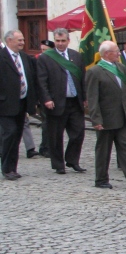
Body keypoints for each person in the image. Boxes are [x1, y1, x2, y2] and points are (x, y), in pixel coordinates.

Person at [84, 41, 126, 189]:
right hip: (106, 118)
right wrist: (96, 119)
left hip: (122, 116)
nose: (119, 53)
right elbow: (92, 97)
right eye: (115, 51)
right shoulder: (95, 71)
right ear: (107, 54)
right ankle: (101, 179)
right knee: (103, 150)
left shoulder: (121, 68)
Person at [36, 28, 87, 175]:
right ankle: (58, 164)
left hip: (74, 101)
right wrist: (46, 99)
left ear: (68, 41)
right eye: (57, 41)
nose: (60, 43)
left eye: (63, 41)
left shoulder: (76, 56)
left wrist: (84, 97)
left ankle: (72, 160)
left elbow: (83, 78)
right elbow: (41, 81)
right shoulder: (46, 58)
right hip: (56, 102)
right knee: (55, 136)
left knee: (78, 132)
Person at [0, 30, 38, 180]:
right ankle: (6, 168)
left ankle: (12, 168)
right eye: (19, 40)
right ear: (9, 40)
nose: (22, 42)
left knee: (16, 136)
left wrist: (33, 101)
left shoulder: (24, 57)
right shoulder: (2, 57)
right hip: (5, 104)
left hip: (22, 103)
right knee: (9, 133)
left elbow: (31, 78)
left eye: (23, 40)